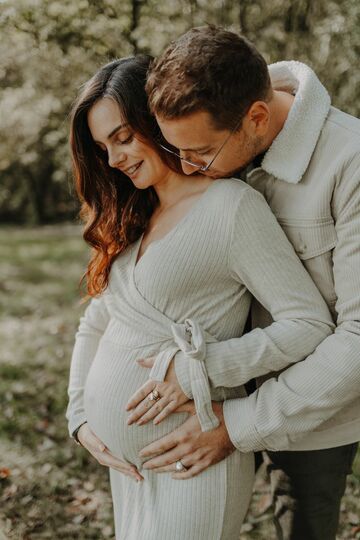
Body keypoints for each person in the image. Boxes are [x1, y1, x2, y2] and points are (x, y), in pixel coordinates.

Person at [65, 55, 334, 539]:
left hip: (191, 460)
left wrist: (203, 365)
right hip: (129, 470)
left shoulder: (232, 208)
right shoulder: (133, 213)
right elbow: (99, 321)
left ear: (156, 121)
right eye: (103, 146)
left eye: (123, 137)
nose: (114, 158)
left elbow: (308, 323)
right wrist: (80, 414)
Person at [128, 25, 360, 540]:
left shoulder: (351, 162)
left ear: (257, 117)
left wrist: (237, 424)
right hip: (201, 402)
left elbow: (359, 337)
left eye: (200, 154)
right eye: (177, 152)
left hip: (313, 415)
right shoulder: (212, 133)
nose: (187, 168)